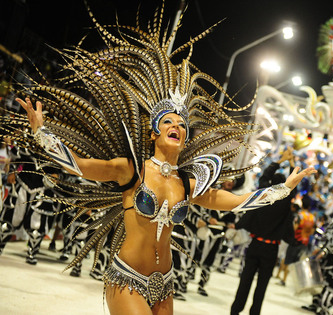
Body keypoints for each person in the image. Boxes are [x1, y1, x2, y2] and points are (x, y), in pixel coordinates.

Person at [11, 4, 316, 315]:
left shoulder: (188, 182)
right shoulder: (131, 170)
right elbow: (79, 165)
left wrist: (284, 188)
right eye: (168, 122)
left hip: (164, 284)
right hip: (127, 279)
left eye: (182, 124)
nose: (177, 127)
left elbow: (235, 201)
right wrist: (42, 133)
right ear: (153, 134)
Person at [230, 147, 299, 315]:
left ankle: (235, 311)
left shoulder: (263, 195)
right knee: (262, 287)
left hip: (255, 245)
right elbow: (293, 185)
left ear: (270, 185)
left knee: (244, 282)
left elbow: (264, 176)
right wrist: (291, 164)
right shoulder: (285, 201)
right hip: (271, 249)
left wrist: (279, 161)